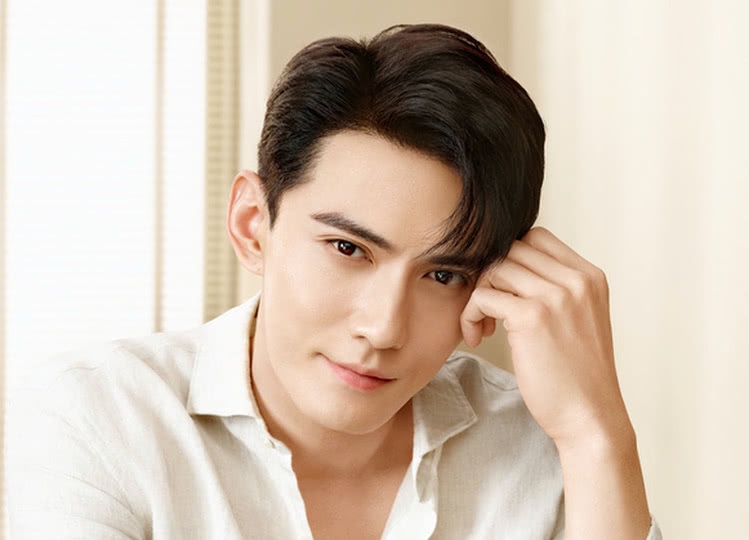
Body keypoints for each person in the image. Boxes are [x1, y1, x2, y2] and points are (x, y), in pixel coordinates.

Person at [7, 24, 662, 539]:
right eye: (347, 248)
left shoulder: (543, 447)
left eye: (442, 274)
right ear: (252, 225)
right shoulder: (97, 418)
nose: (383, 327)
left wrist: (595, 435)